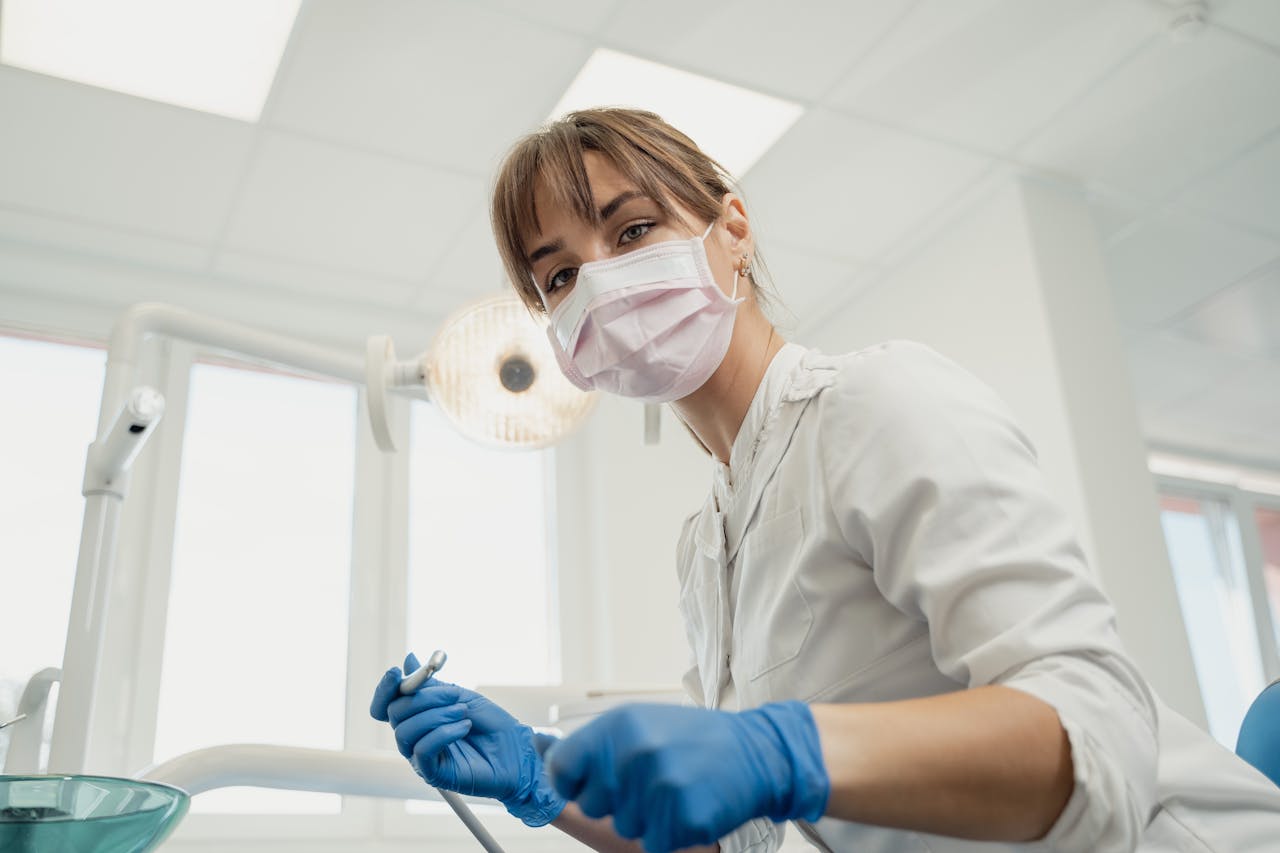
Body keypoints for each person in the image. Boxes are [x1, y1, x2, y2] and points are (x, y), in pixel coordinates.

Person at [370, 108, 1280, 853]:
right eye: (561, 275)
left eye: (634, 229)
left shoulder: (875, 401)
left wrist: (782, 748)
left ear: (732, 231)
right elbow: (750, 836)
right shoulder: (706, 546)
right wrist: (539, 776)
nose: (600, 286)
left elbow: (1099, 736)